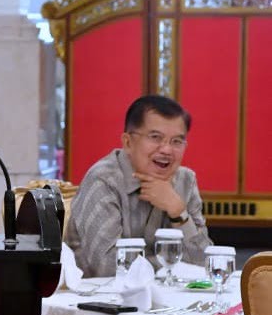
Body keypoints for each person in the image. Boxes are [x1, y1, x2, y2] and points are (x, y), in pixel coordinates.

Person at [65, 94, 213, 277]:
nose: (166, 150)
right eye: (155, 137)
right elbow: (108, 267)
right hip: (100, 299)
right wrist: (172, 263)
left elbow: (204, 262)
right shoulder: (103, 180)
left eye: (176, 141)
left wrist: (178, 212)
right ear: (128, 142)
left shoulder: (185, 180)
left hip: (167, 298)